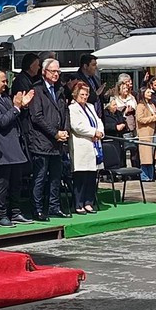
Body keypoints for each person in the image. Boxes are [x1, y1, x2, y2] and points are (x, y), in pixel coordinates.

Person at [0, 69, 34, 227]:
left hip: (14, 145)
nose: (6, 84)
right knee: (2, 183)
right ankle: (1, 215)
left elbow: (14, 116)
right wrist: (16, 107)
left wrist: (22, 107)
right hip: (1, 146)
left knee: (16, 182)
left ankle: (16, 212)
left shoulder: (5, 97)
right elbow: (1, 121)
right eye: (3, 81)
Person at [28, 58, 70, 220]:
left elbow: (64, 112)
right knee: (40, 177)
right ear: (44, 72)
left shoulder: (59, 90)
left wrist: (64, 131)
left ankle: (54, 206)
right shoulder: (37, 90)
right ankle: (37, 209)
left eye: (58, 71)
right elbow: (37, 117)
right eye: (53, 71)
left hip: (57, 143)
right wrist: (54, 133)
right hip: (42, 141)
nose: (56, 74)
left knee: (55, 177)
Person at [67, 81, 104, 213]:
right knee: (80, 177)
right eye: (82, 94)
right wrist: (93, 132)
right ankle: (78, 204)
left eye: (86, 94)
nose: (84, 97)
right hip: (81, 145)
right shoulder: (72, 108)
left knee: (91, 176)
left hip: (94, 145)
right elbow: (77, 126)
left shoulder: (90, 106)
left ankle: (89, 202)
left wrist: (100, 132)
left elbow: (98, 121)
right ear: (75, 94)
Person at [135, 86, 156, 182]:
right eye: (148, 92)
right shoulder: (140, 106)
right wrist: (153, 118)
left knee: (152, 155)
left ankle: (151, 176)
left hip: (154, 132)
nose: (150, 94)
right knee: (145, 156)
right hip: (145, 133)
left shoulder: (152, 105)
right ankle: (144, 176)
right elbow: (140, 119)